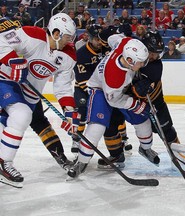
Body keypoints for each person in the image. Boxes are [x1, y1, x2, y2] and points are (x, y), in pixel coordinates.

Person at [0, 13, 79, 188]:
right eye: (67, 37)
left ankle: (4, 160)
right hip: (6, 79)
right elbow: (1, 40)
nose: (70, 41)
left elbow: (63, 86)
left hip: (29, 94)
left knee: (21, 121)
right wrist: (12, 60)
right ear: (56, 33)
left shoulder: (69, 56)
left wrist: (69, 110)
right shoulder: (31, 35)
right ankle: (5, 163)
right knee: (21, 115)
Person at [67, 35, 160, 178]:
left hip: (119, 91)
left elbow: (112, 38)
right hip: (100, 89)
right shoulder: (114, 77)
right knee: (97, 126)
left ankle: (146, 149)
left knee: (142, 118)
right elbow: (114, 101)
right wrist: (136, 104)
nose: (144, 64)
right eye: (141, 62)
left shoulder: (126, 43)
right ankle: (82, 161)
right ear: (129, 61)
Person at [97, 31, 180, 169]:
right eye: (152, 52)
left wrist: (139, 88)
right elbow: (113, 39)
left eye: (158, 53)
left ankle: (179, 156)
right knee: (110, 123)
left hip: (153, 101)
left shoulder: (155, 66)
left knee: (166, 129)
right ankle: (116, 155)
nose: (155, 57)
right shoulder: (132, 47)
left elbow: (142, 91)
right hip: (124, 99)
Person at [72, 24, 132, 158]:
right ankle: (76, 139)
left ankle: (123, 137)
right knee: (82, 109)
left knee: (116, 110)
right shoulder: (81, 54)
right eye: (96, 39)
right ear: (89, 38)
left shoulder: (106, 48)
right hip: (86, 88)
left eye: (100, 39)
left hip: (104, 88)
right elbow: (83, 82)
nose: (99, 43)